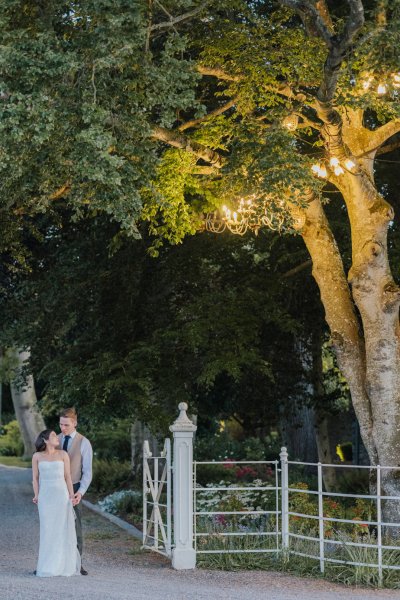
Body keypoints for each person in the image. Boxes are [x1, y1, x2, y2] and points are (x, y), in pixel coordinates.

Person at [32, 430, 81, 577]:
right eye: (53, 436)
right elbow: (35, 478)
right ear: (45, 440)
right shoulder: (37, 456)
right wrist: (36, 495)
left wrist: (71, 496)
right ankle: (47, 565)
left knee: (61, 529)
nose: (57, 437)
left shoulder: (63, 454)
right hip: (45, 497)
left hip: (61, 496)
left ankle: (61, 565)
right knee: (47, 530)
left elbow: (67, 477)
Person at [58, 407, 93, 576]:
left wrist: (81, 492)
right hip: (56, 489)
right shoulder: (54, 440)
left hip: (75, 487)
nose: (62, 428)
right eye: (61, 424)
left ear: (75, 423)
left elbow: (88, 471)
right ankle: (54, 562)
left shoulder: (84, 442)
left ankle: (78, 563)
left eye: (66, 425)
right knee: (55, 526)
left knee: (75, 525)